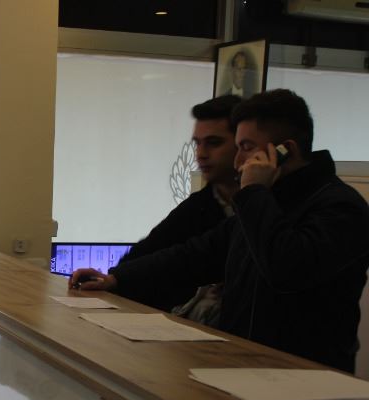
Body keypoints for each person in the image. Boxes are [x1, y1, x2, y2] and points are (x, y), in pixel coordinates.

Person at [70, 89, 369, 373]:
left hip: (304, 380)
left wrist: (253, 192)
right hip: (244, 366)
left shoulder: (341, 208)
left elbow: (286, 268)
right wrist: (118, 279)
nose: (238, 161)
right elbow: (195, 256)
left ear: (284, 151)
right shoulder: (267, 202)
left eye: (246, 148)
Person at [115, 94, 241, 315]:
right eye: (197, 143)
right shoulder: (198, 206)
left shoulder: (272, 207)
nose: (201, 154)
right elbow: (142, 258)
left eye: (214, 143)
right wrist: (113, 279)